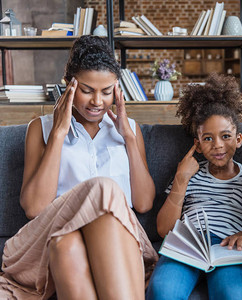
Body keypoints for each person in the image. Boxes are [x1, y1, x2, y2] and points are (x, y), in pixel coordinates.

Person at [0, 35, 158, 300]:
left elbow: (143, 204)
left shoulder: (129, 131)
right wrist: (59, 134)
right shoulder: (42, 129)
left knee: (65, 246)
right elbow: (35, 208)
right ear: (68, 85)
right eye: (87, 90)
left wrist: (128, 138)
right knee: (101, 189)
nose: (97, 101)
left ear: (117, 90)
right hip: (49, 233)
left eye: (106, 91)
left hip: (109, 238)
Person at [146, 73, 242, 300]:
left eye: (226, 136)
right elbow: (164, 229)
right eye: (208, 138)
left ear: (238, 140)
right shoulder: (188, 174)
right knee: (162, 292)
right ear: (197, 145)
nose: (218, 145)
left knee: (234, 295)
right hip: (186, 245)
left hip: (229, 249)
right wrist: (181, 178)